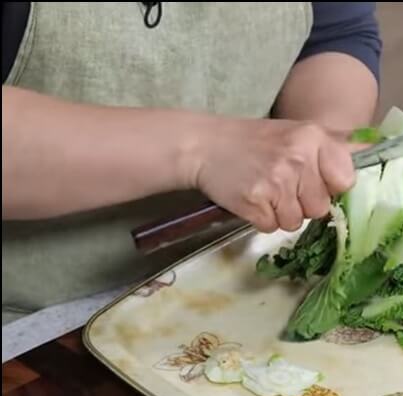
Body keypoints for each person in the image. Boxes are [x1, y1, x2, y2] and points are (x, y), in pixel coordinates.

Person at [1, 2, 382, 324]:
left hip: (236, 282)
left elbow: (334, 35)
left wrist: (321, 144)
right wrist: (202, 149)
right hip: (36, 327)